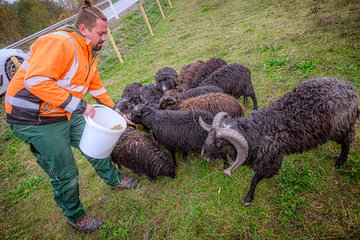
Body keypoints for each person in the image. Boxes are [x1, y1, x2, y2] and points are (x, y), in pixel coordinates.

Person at [4, 0, 138, 233]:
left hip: (62, 110)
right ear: (84, 29)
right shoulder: (59, 43)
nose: (105, 38)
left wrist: (116, 112)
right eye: (101, 33)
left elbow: (96, 87)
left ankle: (114, 180)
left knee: (97, 144)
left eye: (106, 33)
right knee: (65, 170)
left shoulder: (89, 51)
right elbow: (35, 81)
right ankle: (75, 216)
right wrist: (79, 106)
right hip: (34, 119)